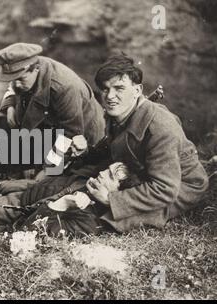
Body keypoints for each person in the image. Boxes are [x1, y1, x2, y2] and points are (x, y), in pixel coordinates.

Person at [82, 53, 209, 232]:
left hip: (179, 185)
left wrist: (111, 199)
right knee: (77, 182)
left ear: (137, 91)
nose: (110, 96)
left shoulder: (160, 127)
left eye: (119, 88)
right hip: (140, 171)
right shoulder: (119, 113)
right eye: (104, 88)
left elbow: (164, 188)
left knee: (100, 220)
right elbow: (115, 145)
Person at [0, 162, 138, 237]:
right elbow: (39, 187)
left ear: (117, 194)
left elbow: (29, 231)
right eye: (107, 170)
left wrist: (62, 205)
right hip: (18, 194)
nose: (102, 174)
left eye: (110, 177)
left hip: (11, 209)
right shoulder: (84, 182)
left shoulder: (88, 219)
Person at [0, 42, 105, 178]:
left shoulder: (64, 87)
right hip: (49, 124)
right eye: (14, 80)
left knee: (44, 181)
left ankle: (24, 179)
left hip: (81, 139)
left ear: (36, 69)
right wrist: (10, 105)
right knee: (1, 124)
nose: (17, 84)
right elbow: (13, 85)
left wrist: (48, 169)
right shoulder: (26, 67)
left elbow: (70, 135)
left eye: (20, 79)